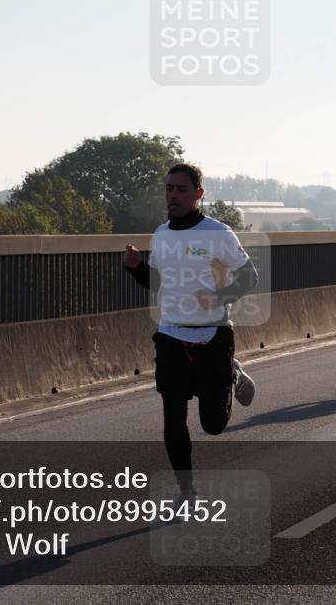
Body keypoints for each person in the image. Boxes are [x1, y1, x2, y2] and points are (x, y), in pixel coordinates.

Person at [122, 163, 258, 500]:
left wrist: (218, 297)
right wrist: (137, 268)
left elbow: (249, 276)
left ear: (198, 194)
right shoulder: (162, 234)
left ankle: (231, 372)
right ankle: (186, 490)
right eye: (169, 188)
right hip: (171, 334)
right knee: (173, 416)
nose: (173, 195)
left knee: (212, 424)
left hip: (213, 335)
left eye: (181, 189)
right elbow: (157, 285)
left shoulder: (218, 233)